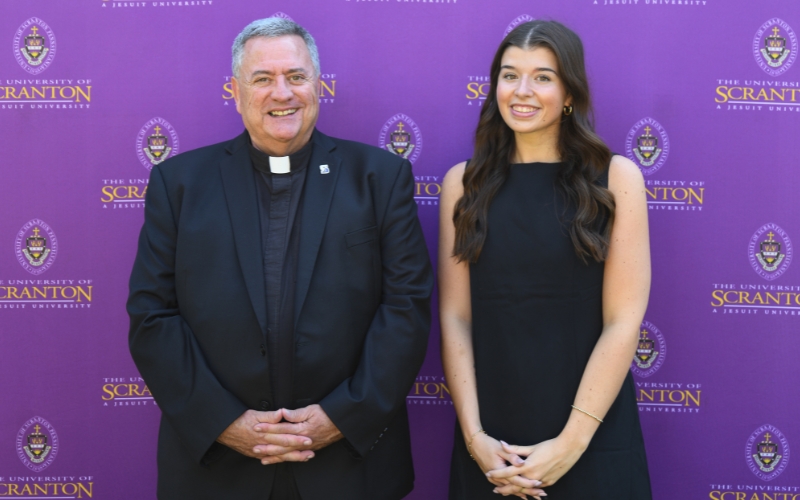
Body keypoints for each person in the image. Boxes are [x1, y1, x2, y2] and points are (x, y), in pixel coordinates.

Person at [127, 17, 432, 500]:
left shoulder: (380, 178)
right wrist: (224, 422)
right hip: (218, 470)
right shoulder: (179, 185)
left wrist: (341, 417)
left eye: (295, 76)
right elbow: (151, 316)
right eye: (263, 79)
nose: (282, 93)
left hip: (350, 466)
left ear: (317, 84)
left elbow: (406, 308)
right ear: (235, 89)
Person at [439, 20, 651, 500]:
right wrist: (476, 439)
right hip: (493, 446)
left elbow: (624, 319)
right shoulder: (463, 184)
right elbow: (455, 317)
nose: (522, 91)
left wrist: (571, 443)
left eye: (543, 77)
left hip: (592, 435)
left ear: (570, 92)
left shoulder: (616, 179)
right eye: (510, 75)